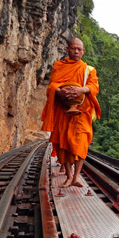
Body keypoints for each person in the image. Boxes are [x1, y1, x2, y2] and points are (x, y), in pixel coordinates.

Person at [41, 38, 101, 187]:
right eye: (73, 48)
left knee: (82, 143)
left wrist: (81, 90)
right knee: (63, 143)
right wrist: (59, 91)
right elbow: (51, 86)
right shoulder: (59, 66)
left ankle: (76, 177)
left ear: (83, 51)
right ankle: (68, 176)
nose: (76, 51)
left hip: (82, 111)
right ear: (67, 49)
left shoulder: (88, 70)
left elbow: (94, 87)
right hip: (63, 110)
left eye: (79, 49)